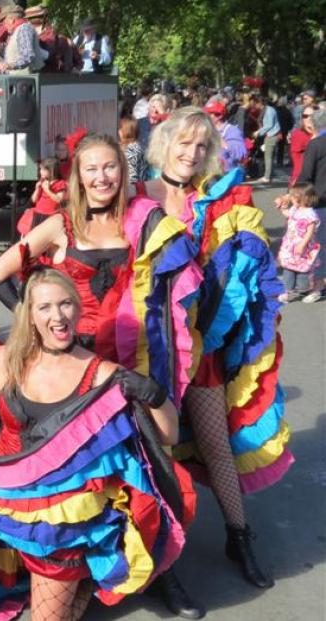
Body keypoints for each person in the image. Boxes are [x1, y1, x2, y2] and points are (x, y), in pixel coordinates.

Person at [0, 131, 207, 618]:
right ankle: (74, 569)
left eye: (110, 167)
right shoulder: (60, 225)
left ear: (122, 172)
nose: (102, 177)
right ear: (77, 177)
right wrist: (36, 322)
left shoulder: (143, 218)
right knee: (82, 476)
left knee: (152, 465)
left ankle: (164, 572)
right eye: (91, 169)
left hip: (134, 367)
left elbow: (182, 277)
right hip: (76, 372)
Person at [0, 268, 192, 621]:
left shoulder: (103, 374)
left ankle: (82, 582)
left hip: (61, 515)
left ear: (77, 309)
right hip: (1, 491)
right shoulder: (6, 361)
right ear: (30, 315)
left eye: (66, 304)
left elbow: (168, 437)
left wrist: (156, 396)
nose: (57, 316)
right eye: (45, 308)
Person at [142, 107, 290, 589]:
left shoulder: (220, 203)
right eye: (183, 143)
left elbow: (237, 272)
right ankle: (159, 551)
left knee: (215, 443)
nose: (191, 153)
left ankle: (239, 535)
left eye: (201, 146)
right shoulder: (137, 197)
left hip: (199, 346)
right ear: (164, 144)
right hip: (144, 346)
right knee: (152, 449)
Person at [295, 108, 326, 301]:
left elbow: (306, 176)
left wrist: (295, 200)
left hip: (319, 202)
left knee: (318, 246)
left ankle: (317, 286)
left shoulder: (316, 145)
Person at [275, 183, 320, 302]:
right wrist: (283, 208)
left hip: (303, 248)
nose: (290, 198)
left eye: (293, 196)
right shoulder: (295, 209)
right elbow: (288, 214)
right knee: (288, 268)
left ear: (303, 198)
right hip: (290, 246)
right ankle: (287, 291)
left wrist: (303, 244)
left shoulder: (310, 214)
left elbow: (310, 232)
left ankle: (307, 289)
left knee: (303, 271)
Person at [18, 155, 65, 235]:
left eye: (43, 170)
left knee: (45, 236)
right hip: (38, 214)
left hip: (51, 215)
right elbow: (34, 200)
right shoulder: (42, 181)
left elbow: (59, 199)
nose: (41, 172)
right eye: (40, 169)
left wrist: (47, 190)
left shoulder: (60, 184)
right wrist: (37, 189)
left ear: (52, 171)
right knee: (34, 235)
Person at [0, 2, 43, 74]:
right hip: (20, 80)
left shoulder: (24, 29)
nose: (3, 24)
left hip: (27, 81)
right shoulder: (18, 31)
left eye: (3, 21)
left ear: (11, 19)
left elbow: (28, 56)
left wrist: (10, 65)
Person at [25, 4, 73, 73]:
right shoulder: (29, 32)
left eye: (30, 18)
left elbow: (50, 55)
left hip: (46, 75)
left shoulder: (49, 33)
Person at [204, 100, 247, 172]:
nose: (204, 117)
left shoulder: (231, 130)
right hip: (206, 173)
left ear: (219, 116)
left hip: (225, 174)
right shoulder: (206, 129)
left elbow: (241, 154)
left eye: (207, 115)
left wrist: (223, 143)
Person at [250, 94, 281, 183]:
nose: (254, 106)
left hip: (272, 135)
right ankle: (269, 174)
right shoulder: (266, 109)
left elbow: (269, 125)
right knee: (269, 156)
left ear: (259, 103)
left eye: (255, 104)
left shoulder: (269, 110)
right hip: (270, 135)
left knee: (268, 156)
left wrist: (258, 132)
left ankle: (267, 177)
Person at [289, 104, 317, 185]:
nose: (308, 118)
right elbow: (296, 159)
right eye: (305, 116)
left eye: (312, 115)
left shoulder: (321, 133)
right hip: (301, 179)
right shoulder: (298, 134)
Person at [119, 117, 149, 182]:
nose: (118, 132)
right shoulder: (140, 146)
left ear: (125, 131)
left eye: (120, 129)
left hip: (133, 189)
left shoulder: (130, 150)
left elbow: (132, 178)